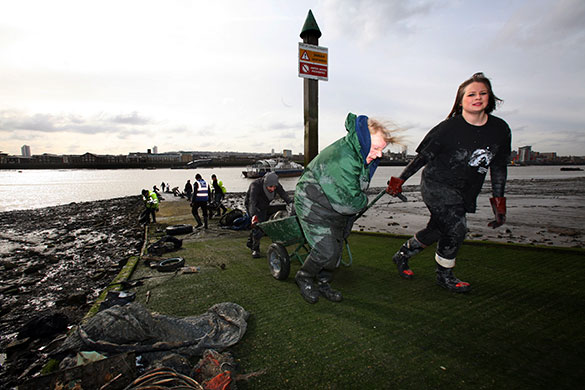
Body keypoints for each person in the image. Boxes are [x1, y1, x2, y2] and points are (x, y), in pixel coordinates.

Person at [386, 72, 511, 293]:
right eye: (471, 94)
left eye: (483, 93)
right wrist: (400, 180)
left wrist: (499, 205)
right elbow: (423, 157)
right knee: (456, 228)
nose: (478, 97)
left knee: (436, 229)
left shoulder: (500, 130)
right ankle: (444, 276)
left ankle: (402, 255)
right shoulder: (447, 129)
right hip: (436, 184)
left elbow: (499, 168)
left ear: (490, 98)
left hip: (465, 190)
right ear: (461, 100)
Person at [294, 112, 401, 304]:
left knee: (337, 247)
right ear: (365, 140)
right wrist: (363, 201)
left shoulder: (360, 150)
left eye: (382, 149)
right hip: (313, 202)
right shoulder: (343, 159)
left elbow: (353, 190)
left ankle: (324, 282)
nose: (380, 154)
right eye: (376, 148)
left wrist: (357, 200)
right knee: (325, 250)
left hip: (334, 202)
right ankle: (304, 276)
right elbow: (347, 203)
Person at [245, 172, 292, 258]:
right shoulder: (255, 186)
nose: (273, 189)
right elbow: (252, 202)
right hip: (253, 205)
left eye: (274, 187)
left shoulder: (275, 185)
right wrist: (253, 216)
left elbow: (283, 194)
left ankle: (250, 242)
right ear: (265, 183)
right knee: (258, 226)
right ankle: (255, 249)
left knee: (261, 226)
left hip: (264, 205)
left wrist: (291, 202)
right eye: (270, 187)